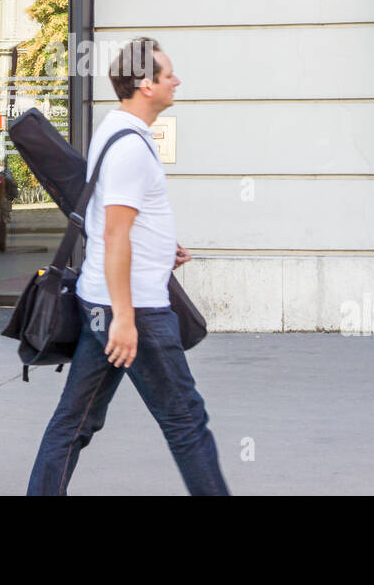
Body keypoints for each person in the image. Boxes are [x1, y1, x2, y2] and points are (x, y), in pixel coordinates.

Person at [26, 37, 229, 495]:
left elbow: (114, 222)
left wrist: (160, 248)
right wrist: (123, 318)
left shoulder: (116, 130)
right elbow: (115, 235)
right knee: (186, 423)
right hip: (132, 310)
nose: (177, 81)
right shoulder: (131, 148)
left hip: (105, 305)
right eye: (168, 74)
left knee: (74, 421)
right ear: (144, 84)